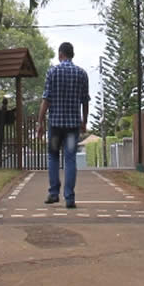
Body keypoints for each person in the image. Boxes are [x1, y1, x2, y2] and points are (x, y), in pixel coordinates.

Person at [36, 42, 90, 208]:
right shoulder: (82, 74)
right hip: (73, 127)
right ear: (72, 54)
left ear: (60, 54)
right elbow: (85, 101)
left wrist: (40, 123)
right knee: (70, 158)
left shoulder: (52, 72)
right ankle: (70, 198)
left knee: (53, 156)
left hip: (56, 127)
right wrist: (84, 121)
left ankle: (53, 193)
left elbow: (46, 100)